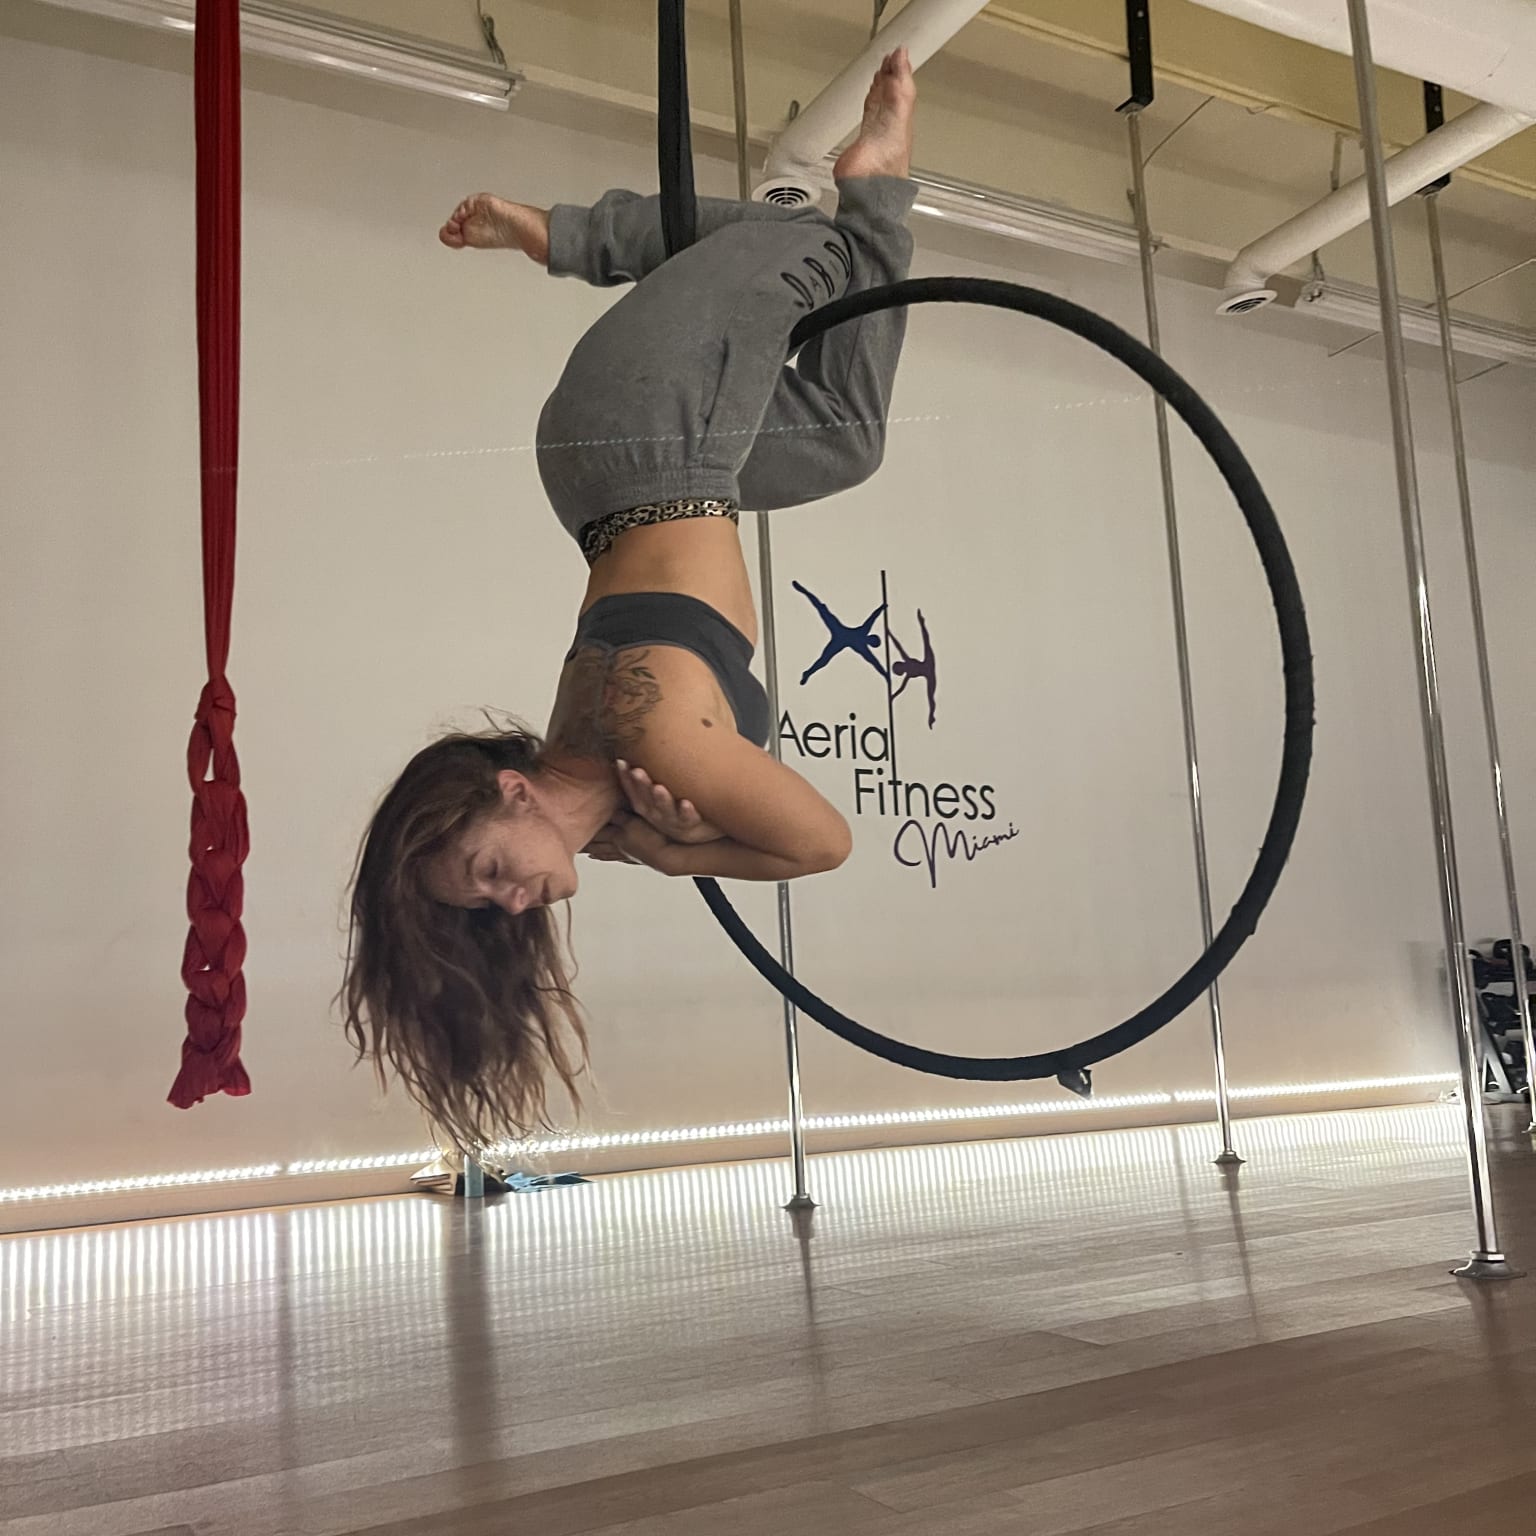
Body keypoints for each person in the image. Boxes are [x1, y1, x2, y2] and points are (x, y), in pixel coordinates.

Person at [343, 52, 919, 1147]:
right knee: (844, 440)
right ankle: (827, 192)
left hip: (654, 432)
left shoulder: (646, 767)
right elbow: (684, 800)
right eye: (488, 907)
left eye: (488, 871)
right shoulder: (601, 791)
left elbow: (823, 844)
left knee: (808, 240)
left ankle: (828, 186)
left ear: (512, 791)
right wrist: (654, 835)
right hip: (621, 463)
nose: (509, 900)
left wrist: (683, 854)